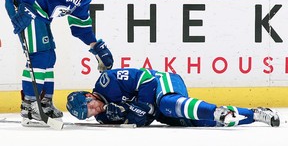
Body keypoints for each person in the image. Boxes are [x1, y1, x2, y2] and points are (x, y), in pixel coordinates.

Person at [0, 0, 114, 126]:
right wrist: (25, 4)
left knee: (49, 56)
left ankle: (44, 102)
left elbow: (80, 26)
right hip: (22, 1)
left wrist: (95, 46)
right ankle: (29, 105)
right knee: (39, 55)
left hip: (40, 13)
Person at [66, 68, 280, 128]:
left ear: (89, 95)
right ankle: (255, 114)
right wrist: (126, 116)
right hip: (158, 111)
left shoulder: (108, 80)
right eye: (89, 114)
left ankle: (216, 110)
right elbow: (137, 122)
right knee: (201, 122)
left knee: (167, 104)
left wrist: (144, 108)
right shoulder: (104, 118)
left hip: (163, 81)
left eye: (91, 106)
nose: (95, 112)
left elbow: (147, 78)